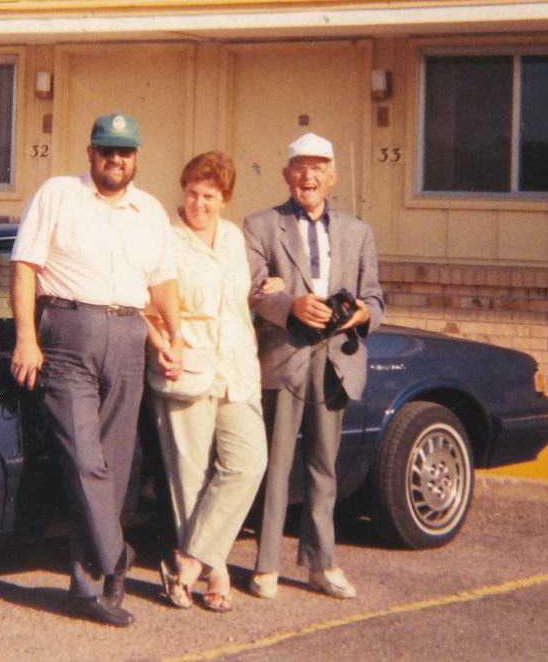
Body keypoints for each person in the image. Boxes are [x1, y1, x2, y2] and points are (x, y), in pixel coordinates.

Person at [10, 112, 183, 628]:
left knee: (115, 462)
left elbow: (162, 281)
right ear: (90, 153)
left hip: (130, 333)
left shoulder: (148, 210)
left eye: (125, 152)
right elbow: (24, 267)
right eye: (107, 149)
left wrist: (172, 336)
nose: (115, 159)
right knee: (85, 459)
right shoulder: (58, 194)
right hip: (69, 332)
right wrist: (26, 337)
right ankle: (116, 556)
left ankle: (93, 589)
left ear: (136, 158)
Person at [243, 132, 384, 600]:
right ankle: (265, 565)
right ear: (287, 175)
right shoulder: (262, 225)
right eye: (300, 167)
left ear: (332, 176)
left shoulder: (358, 232)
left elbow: (376, 297)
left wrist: (364, 313)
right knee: (276, 464)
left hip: (336, 360)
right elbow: (253, 291)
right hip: (286, 355)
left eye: (318, 167)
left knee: (324, 465)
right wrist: (291, 306)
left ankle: (321, 565)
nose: (309, 176)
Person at [144, 151, 269, 613]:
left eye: (210, 196)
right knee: (191, 480)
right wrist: (159, 342)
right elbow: (141, 302)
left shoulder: (234, 238)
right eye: (193, 193)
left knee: (249, 462)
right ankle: (216, 572)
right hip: (186, 367)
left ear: (225, 199)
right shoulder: (164, 238)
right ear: (183, 191)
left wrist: (268, 288)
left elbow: (238, 299)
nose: (199, 203)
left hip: (237, 369)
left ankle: (187, 560)